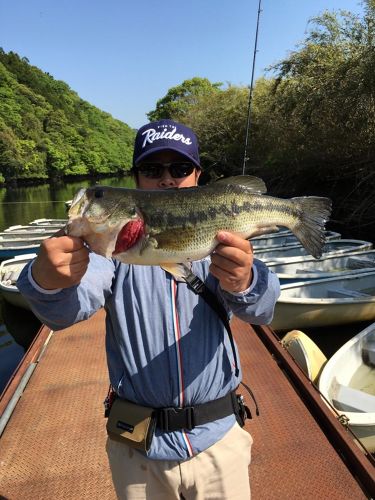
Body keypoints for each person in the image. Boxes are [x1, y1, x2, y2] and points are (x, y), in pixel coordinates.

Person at [17, 119, 280, 500]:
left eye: (180, 169)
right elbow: (62, 314)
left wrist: (245, 281)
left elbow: (264, 309)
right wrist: (46, 279)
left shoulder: (219, 239)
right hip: (137, 448)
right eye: (153, 169)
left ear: (197, 175)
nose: (168, 180)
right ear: (137, 178)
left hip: (220, 439)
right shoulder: (111, 252)